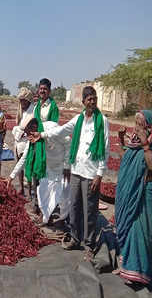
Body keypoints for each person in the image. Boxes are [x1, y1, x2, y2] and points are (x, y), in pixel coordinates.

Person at [32, 86, 109, 260]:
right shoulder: (78, 119)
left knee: (89, 209)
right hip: (76, 170)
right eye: (89, 99)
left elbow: (104, 148)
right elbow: (62, 130)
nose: (93, 101)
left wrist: (99, 174)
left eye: (94, 98)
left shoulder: (102, 120)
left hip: (91, 174)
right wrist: (42, 135)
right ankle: (75, 237)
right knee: (74, 206)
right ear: (83, 101)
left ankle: (89, 244)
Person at [6, 118, 71, 226]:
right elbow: (25, 157)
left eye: (29, 132)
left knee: (63, 193)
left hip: (62, 165)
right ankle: (46, 217)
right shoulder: (32, 138)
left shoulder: (51, 128)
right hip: (47, 166)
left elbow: (68, 142)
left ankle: (64, 218)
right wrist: (11, 176)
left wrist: (67, 166)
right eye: (27, 134)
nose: (28, 136)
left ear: (34, 126)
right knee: (43, 191)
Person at [115, 110, 152, 286]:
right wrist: (121, 140)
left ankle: (139, 270)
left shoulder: (148, 143)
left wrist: (146, 144)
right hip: (130, 193)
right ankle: (129, 267)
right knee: (129, 227)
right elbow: (125, 159)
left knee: (139, 230)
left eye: (140, 124)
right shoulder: (135, 142)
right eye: (135, 124)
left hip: (143, 195)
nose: (136, 128)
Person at [27, 78, 60, 214]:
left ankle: (45, 207)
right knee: (36, 173)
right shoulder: (36, 106)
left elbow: (53, 127)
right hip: (36, 144)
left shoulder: (53, 107)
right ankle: (36, 202)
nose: (42, 91)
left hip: (46, 145)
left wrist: (43, 136)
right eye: (41, 89)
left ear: (49, 91)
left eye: (45, 89)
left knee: (45, 176)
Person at [12, 87, 34, 195]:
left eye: (23, 100)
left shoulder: (33, 111)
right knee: (19, 167)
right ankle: (21, 188)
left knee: (28, 168)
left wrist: (24, 132)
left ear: (28, 101)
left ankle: (30, 190)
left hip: (26, 142)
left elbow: (33, 127)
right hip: (18, 142)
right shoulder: (21, 111)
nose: (21, 103)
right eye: (20, 100)